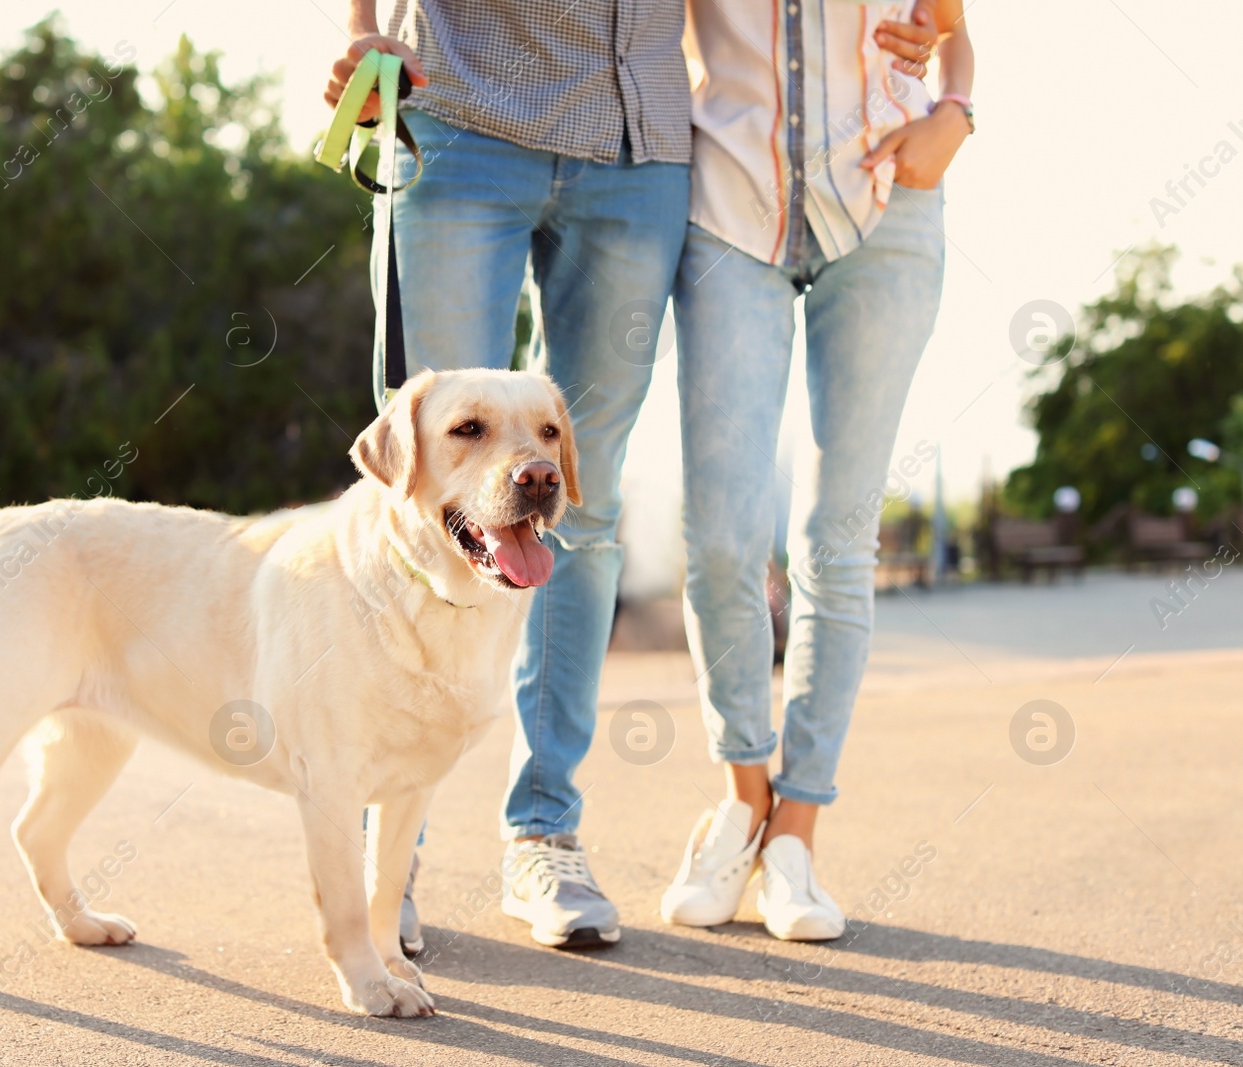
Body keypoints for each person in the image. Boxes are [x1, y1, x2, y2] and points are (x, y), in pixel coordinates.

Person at [325, 0, 940, 952]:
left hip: (639, 148)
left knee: (582, 507)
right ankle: (385, 854)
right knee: (418, 493)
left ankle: (544, 833)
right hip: (458, 112)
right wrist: (363, 24)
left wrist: (943, 61)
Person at [660, 0, 974, 941]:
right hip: (728, 210)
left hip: (887, 211)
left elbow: (953, 26)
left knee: (835, 540)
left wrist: (955, 114)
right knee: (719, 538)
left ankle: (795, 836)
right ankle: (742, 797)